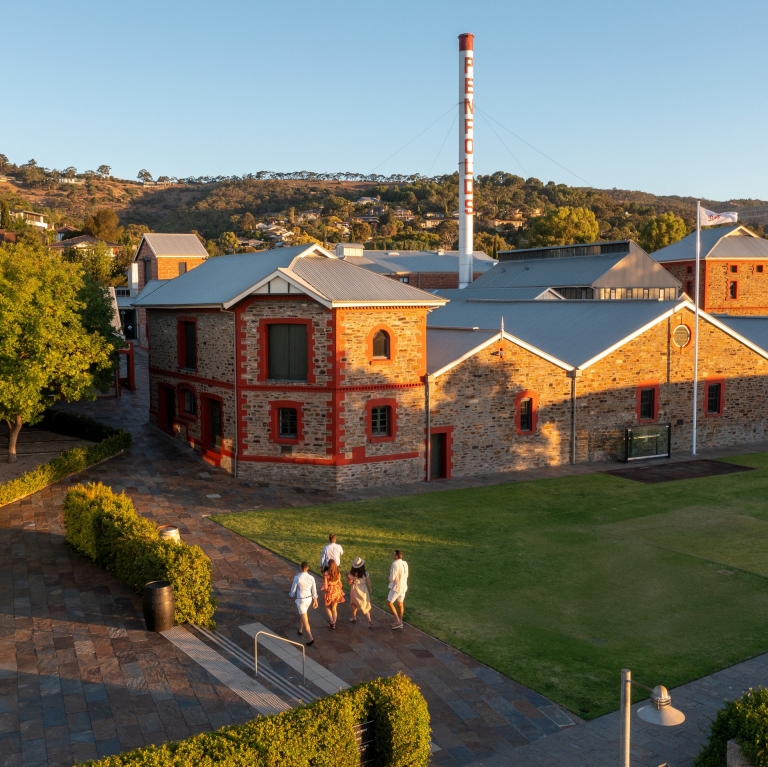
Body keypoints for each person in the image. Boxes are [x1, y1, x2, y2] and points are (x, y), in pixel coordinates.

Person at [289, 561, 318, 646]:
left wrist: (291, 596)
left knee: (305, 619)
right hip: (309, 599)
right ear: (307, 568)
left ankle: (310, 638)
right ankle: (300, 629)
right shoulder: (311, 578)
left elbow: (293, 590)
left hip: (301, 600)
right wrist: (315, 600)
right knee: (303, 614)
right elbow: (314, 590)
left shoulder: (297, 578)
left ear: (301, 568)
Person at [347, 557, 373, 628]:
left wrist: (347, 575)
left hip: (355, 590)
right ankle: (369, 619)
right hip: (364, 590)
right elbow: (368, 581)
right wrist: (370, 588)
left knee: (353, 603)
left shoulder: (353, 574)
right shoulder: (365, 573)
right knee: (365, 605)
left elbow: (349, 582)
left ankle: (354, 617)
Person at [387, 549, 408, 630]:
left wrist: (388, 578)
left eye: (393, 554)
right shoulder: (405, 563)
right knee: (400, 603)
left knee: (389, 602)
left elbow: (392, 578)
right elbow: (407, 574)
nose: (393, 555)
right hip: (404, 587)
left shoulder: (394, 564)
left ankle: (398, 621)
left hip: (396, 587)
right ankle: (400, 621)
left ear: (396, 556)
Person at [322, 560, 345, 629]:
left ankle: (331, 621)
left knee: (326, 606)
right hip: (337, 591)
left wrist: (324, 589)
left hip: (330, 591)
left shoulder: (326, 573)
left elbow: (326, 585)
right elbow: (340, 583)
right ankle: (334, 624)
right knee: (334, 608)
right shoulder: (338, 573)